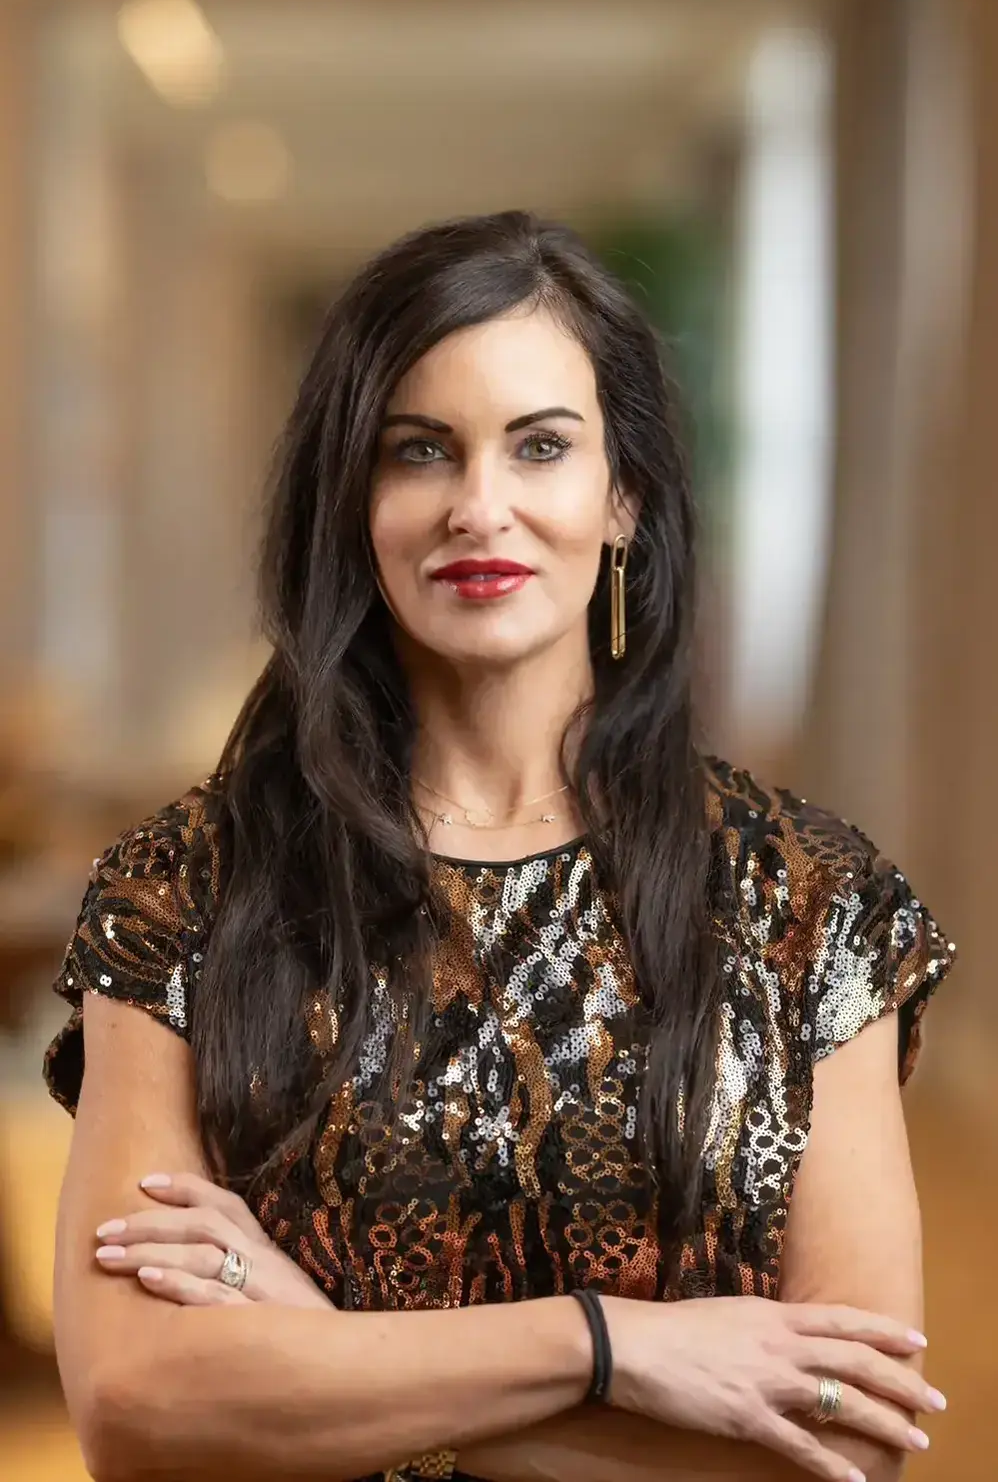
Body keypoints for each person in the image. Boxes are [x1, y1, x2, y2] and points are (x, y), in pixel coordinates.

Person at [45, 211, 953, 1482]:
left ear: (622, 493)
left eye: (540, 448)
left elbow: (844, 1442)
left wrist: (326, 1349)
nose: (480, 507)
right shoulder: (186, 885)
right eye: (420, 451)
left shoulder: (809, 901)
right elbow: (138, 1406)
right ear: (354, 500)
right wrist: (613, 1349)